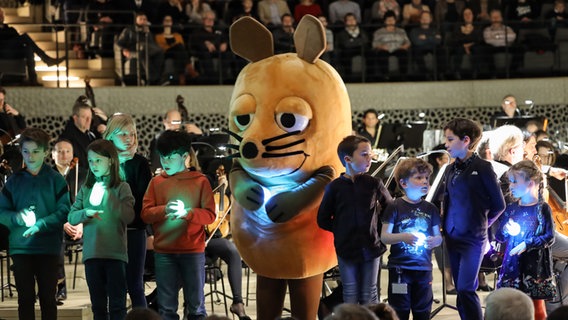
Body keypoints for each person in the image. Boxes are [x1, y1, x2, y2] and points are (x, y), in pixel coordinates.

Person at [141, 129, 216, 320]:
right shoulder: (157, 182)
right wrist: (164, 209)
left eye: (170, 157)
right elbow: (146, 214)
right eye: (162, 157)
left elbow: (209, 215)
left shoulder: (200, 181)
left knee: (196, 307)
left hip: (192, 251)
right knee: (166, 308)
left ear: (184, 156)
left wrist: (187, 213)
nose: (165, 162)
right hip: (164, 252)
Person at [0, 127, 70, 320]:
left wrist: (41, 224)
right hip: (21, 248)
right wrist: (17, 217)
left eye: (35, 152)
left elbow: (64, 210)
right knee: (25, 298)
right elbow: (1, 211)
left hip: (47, 247)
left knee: (48, 298)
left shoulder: (55, 180)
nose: (30, 157)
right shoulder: (14, 181)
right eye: (26, 152)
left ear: (46, 152)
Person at [442, 118, 506, 320]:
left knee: (466, 288)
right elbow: (448, 201)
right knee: (462, 289)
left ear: (466, 140)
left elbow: (499, 204)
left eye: (450, 139)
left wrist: (482, 225)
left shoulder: (484, 167)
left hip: (474, 239)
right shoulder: (449, 169)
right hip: (452, 238)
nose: (446, 144)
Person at [317, 135, 392, 305]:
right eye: (364, 154)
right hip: (345, 248)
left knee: (370, 294)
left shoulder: (374, 183)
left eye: (370, 154)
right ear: (348, 159)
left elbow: (390, 209)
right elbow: (322, 218)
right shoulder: (334, 187)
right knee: (350, 293)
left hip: (372, 246)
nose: (370, 159)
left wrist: (378, 227)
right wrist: (341, 229)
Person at [68, 139, 135, 320]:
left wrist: (111, 199)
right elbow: (72, 217)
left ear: (111, 161)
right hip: (92, 255)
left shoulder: (122, 187)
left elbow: (129, 216)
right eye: (91, 161)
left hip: (115, 256)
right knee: (98, 307)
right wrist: (86, 213)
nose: (94, 165)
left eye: (98, 160)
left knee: (117, 306)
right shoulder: (86, 188)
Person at [381, 158, 442, 320]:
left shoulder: (431, 209)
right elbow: (384, 236)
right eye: (419, 178)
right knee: (399, 309)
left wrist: (435, 241)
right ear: (404, 183)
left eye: (426, 178)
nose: (425, 182)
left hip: (423, 269)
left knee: (422, 310)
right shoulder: (394, 207)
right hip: (400, 269)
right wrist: (404, 237)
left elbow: (439, 237)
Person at [103, 113, 153, 309]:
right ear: (110, 136)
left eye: (131, 134)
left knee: (135, 285)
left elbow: (143, 198)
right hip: (109, 231)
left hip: (133, 231)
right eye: (123, 134)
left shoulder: (139, 163)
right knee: (114, 286)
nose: (128, 139)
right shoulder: (102, 161)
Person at [494, 160, 555, 320]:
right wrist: (506, 229)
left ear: (531, 182)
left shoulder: (542, 209)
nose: (511, 186)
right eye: (510, 182)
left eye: (515, 181)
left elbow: (549, 237)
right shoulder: (512, 208)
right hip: (513, 266)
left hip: (535, 268)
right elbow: (499, 237)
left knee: (537, 310)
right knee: (511, 308)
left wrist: (527, 243)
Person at [52, 139, 86, 304]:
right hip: (59, 225)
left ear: (73, 154)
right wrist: (64, 223)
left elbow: (85, 203)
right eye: (59, 151)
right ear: (52, 155)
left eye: (67, 151)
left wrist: (80, 223)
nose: (64, 154)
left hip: (79, 225)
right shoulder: (47, 176)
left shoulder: (82, 174)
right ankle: (59, 287)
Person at [0, 7, 65, 85]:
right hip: (2, 51)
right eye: (0, 16)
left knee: (29, 49)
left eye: (2, 15)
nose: (2, 17)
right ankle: (47, 59)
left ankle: (33, 79)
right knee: (25, 37)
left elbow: (15, 36)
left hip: (12, 52)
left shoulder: (8, 28)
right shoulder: (7, 29)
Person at [116, 12, 165, 85]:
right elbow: (118, 43)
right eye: (141, 19)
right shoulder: (129, 30)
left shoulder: (147, 31)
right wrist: (125, 49)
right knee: (142, 47)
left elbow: (152, 44)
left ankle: (156, 78)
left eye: (145, 19)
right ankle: (151, 79)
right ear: (136, 20)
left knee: (159, 52)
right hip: (133, 52)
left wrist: (147, 33)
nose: (143, 21)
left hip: (146, 51)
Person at [190, 10, 234, 83]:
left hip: (218, 51)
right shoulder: (198, 32)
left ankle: (222, 78)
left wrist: (225, 43)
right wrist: (205, 44)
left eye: (212, 19)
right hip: (205, 52)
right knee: (205, 53)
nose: (210, 21)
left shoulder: (217, 30)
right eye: (208, 19)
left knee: (228, 54)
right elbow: (194, 43)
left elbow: (224, 38)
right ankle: (211, 78)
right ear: (203, 20)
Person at [59, 100, 100, 171]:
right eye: (84, 117)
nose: (88, 120)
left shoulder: (92, 135)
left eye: (89, 117)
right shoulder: (67, 139)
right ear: (75, 118)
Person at [370, 10, 411, 81]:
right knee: (382, 54)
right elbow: (374, 44)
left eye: (392, 20)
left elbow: (408, 42)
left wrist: (404, 46)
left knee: (403, 53)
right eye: (388, 20)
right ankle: (385, 76)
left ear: (395, 21)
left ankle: (403, 76)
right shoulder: (379, 32)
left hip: (398, 48)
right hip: (385, 49)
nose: (390, 22)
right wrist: (381, 47)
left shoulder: (401, 31)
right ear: (385, 21)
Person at [155, 15, 193, 85]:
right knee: (178, 47)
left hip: (177, 54)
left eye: (170, 21)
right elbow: (161, 47)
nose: (168, 22)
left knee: (179, 50)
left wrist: (173, 46)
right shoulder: (158, 36)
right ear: (163, 22)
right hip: (166, 53)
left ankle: (181, 77)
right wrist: (173, 46)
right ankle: (189, 68)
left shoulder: (177, 35)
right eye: (166, 20)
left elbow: (182, 47)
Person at [408, 11, 443, 80]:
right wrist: (432, 38)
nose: (424, 19)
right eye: (423, 17)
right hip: (420, 49)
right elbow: (417, 42)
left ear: (431, 19)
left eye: (427, 17)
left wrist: (425, 38)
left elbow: (438, 41)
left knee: (441, 50)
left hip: (433, 48)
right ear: (420, 19)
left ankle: (440, 74)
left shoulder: (435, 30)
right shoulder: (414, 30)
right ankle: (424, 75)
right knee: (416, 51)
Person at [335, 13, 369, 80]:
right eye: (349, 20)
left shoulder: (362, 32)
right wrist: (358, 41)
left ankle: (368, 77)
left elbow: (365, 41)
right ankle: (349, 78)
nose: (351, 21)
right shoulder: (341, 33)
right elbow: (346, 44)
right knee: (345, 56)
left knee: (370, 53)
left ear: (356, 21)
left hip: (361, 50)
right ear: (345, 22)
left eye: (353, 19)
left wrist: (352, 41)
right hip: (348, 51)